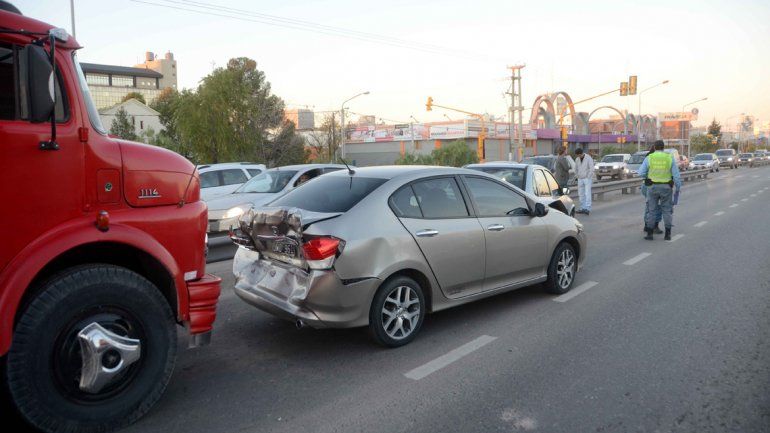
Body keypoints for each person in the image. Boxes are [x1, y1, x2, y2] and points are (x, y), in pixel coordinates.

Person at [639, 140, 682, 241]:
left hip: (652, 187)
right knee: (667, 210)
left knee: (651, 210)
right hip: (666, 187)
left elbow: (641, 173)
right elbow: (676, 176)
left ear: (654, 147)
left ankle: (649, 234)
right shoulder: (669, 157)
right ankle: (667, 234)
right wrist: (678, 188)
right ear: (663, 148)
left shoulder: (650, 158)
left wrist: (647, 178)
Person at [640, 144, 663, 234]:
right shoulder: (662, 158)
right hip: (657, 185)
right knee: (658, 206)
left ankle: (647, 225)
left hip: (646, 185)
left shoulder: (648, 157)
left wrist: (647, 178)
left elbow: (641, 172)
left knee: (649, 205)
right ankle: (655, 226)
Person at [574, 148, 594, 214]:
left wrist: (588, 176)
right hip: (580, 178)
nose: (577, 156)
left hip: (587, 178)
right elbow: (575, 168)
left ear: (580, 154)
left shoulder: (588, 158)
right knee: (581, 194)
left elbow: (591, 168)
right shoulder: (577, 159)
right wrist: (577, 176)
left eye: (577, 155)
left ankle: (587, 208)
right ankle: (582, 208)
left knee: (587, 193)